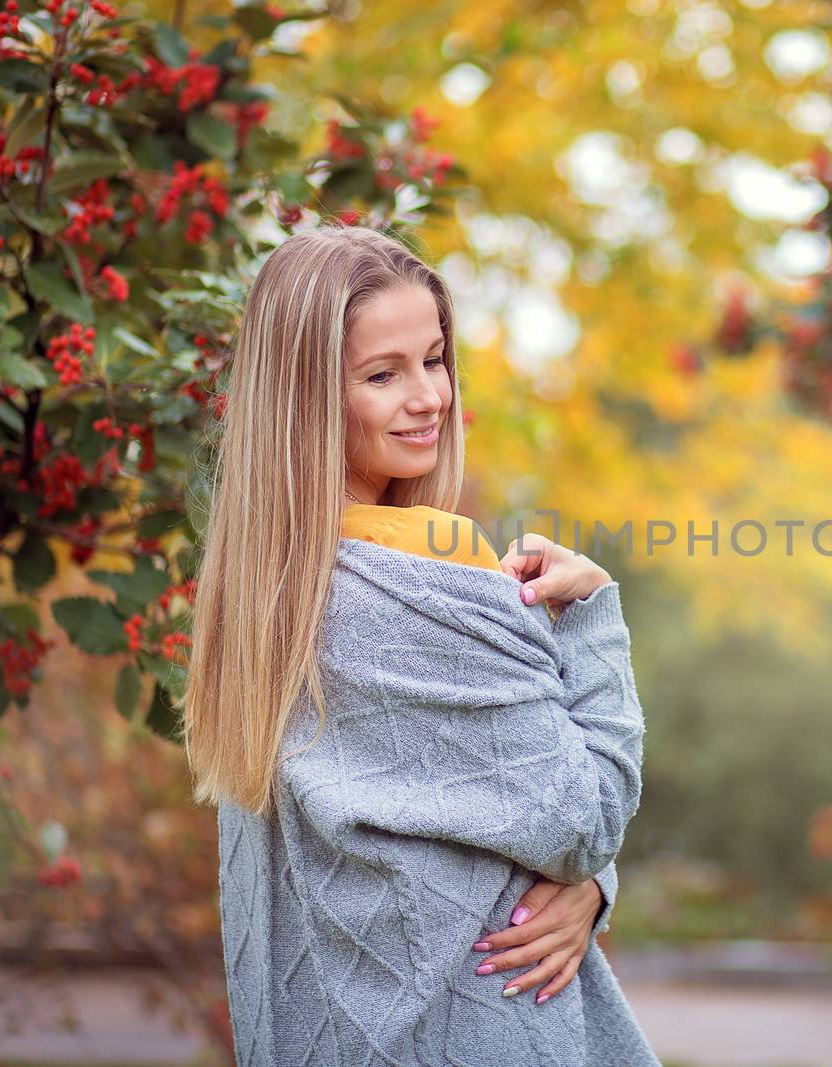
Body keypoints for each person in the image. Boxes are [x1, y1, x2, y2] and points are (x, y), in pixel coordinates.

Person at [181, 223, 661, 1066]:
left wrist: (584, 891)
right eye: (382, 374)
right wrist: (591, 611)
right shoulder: (418, 583)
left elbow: (470, 825)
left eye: (434, 359)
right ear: (308, 402)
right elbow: (583, 818)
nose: (430, 396)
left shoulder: (266, 597)